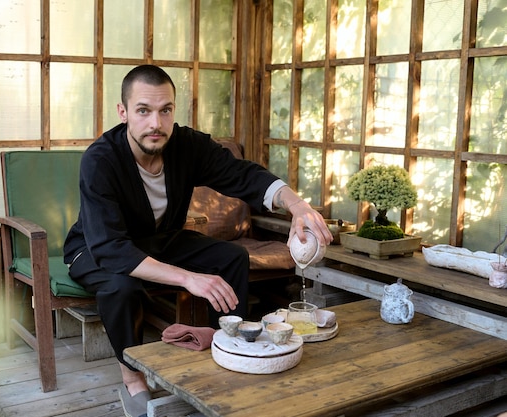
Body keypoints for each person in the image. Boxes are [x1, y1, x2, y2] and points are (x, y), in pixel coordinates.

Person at [64, 64, 332, 417]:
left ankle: (225, 344)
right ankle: (132, 377)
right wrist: (189, 278)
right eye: (143, 111)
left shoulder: (186, 145)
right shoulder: (100, 160)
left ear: (174, 110)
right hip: (95, 249)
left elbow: (242, 174)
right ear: (123, 112)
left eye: (165, 110)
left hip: (160, 240)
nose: (155, 123)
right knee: (121, 287)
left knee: (231, 257)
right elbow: (111, 248)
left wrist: (296, 205)